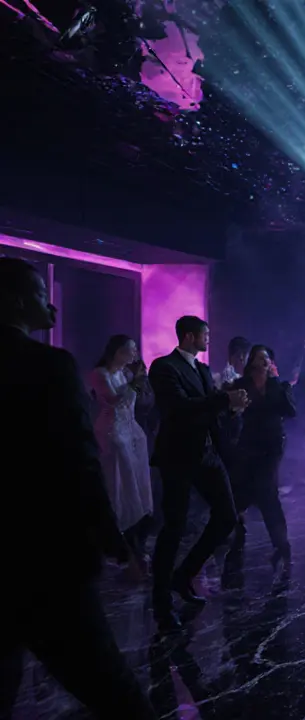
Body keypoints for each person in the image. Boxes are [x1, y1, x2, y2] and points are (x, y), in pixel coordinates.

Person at [0, 257, 156, 719]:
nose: (50, 303)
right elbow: (78, 463)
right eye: (37, 291)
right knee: (114, 689)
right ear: (14, 302)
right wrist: (114, 541)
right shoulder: (48, 364)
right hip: (46, 555)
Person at [150, 315, 248, 631]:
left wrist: (232, 410)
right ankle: (161, 603)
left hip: (206, 455)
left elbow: (210, 414)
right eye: (205, 333)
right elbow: (179, 408)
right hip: (177, 456)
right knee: (174, 527)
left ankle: (184, 575)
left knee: (227, 517)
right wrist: (224, 399)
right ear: (190, 337)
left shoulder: (203, 370)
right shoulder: (163, 367)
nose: (209, 338)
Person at [224, 345, 297, 583]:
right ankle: (236, 542)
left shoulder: (279, 384)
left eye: (268, 357)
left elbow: (290, 411)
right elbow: (230, 414)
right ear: (252, 361)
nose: (264, 360)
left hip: (272, 446)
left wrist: (276, 381)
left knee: (267, 492)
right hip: (248, 445)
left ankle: (283, 547)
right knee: (242, 495)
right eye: (260, 357)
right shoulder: (241, 384)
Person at [87, 334, 155, 562]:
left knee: (135, 483)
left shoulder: (126, 374)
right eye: (130, 350)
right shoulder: (100, 374)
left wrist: (141, 382)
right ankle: (120, 539)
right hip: (112, 432)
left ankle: (134, 538)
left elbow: (140, 403)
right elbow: (114, 400)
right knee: (119, 484)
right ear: (117, 351)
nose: (135, 354)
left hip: (132, 431)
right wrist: (134, 382)